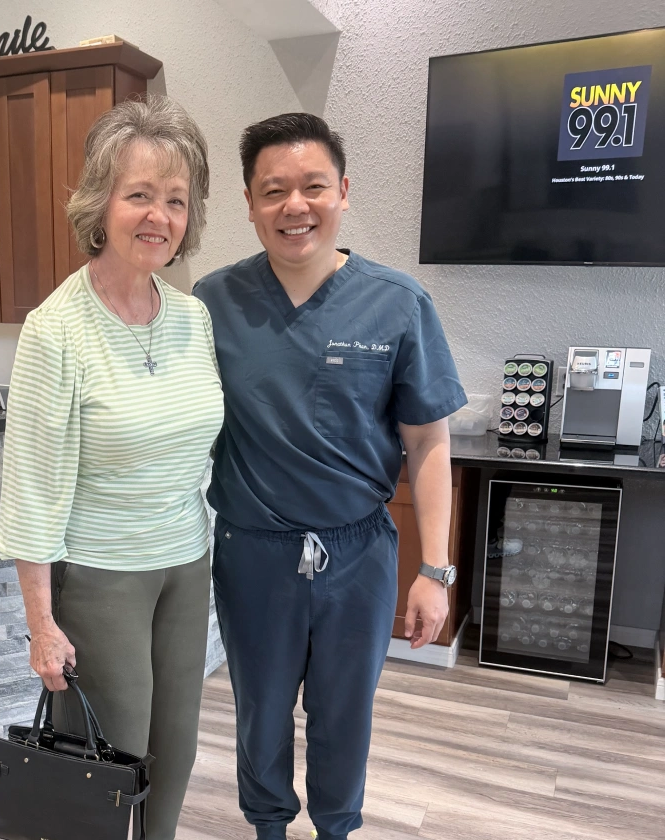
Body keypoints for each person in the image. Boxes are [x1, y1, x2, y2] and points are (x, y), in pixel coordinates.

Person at [193, 113, 467, 840]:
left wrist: (434, 571)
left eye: (313, 186)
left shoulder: (397, 302)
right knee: (260, 709)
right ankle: (269, 829)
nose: (295, 206)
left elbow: (429, 443)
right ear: (250, 203)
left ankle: (338, 829)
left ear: (342, 192)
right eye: (273, 190)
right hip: (253, 551)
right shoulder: (209, 305)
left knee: (346, 710)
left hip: (359, 554)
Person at [0, 96, 224, 840]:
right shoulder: (56, 329)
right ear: (101, 203)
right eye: (139, 195)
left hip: (185, 568)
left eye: (175, 200)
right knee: (107, 765)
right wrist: (41, 623)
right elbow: (30, 486)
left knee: (177, 754)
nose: (158, 216)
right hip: (101, 578)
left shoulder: (192, 317)